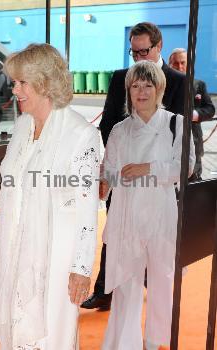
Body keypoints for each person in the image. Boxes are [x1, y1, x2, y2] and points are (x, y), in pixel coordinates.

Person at [0, 43, 100, 350]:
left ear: (45, 83)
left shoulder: (81, 135)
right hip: (16, 247)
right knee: (17, 329)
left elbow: (88, 210)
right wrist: (0, 242)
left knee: (52, 336)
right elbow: (11, 188)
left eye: (22, 82)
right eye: (15, 82)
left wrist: (81, 268)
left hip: (58, 256)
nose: (15, 90)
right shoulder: (22, 127)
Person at [82, 21, 186, 311]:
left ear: (159, 46)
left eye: (144, 51)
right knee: (116, 232)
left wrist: (151, 165)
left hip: (159, 182)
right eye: (134, 52)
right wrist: (119, 153)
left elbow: (180, 134)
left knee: (156, 246)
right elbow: (108, 123)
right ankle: (105, 290)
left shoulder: (178, 81)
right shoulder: (119, 78)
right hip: (123, 175)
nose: (139, 57)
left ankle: (156, 294)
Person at [101, 60, 195, 350]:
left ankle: (156, 340)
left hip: (160, 213)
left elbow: (186, 167)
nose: (141, 92)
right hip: (126, 215)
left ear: (160, 89)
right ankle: (125, 342)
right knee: (125, 281)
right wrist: (105, 178)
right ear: (128, 90)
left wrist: (147, 168)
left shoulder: (175, 124)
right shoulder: (119, 129)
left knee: (162, 280)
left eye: (148, 85)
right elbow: (109, 171)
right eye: (135, 86)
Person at [168, 47, 215, 181]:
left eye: (183, 63)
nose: (180, 66)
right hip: (169, 145)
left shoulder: (199, 85)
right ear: (170, 65)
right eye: (176, 63)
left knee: (193, 185)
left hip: (193, 143)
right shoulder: (163, 85)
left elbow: (210, 109)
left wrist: (194, 114)